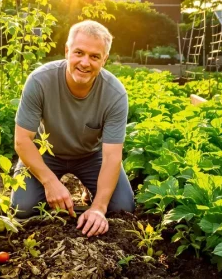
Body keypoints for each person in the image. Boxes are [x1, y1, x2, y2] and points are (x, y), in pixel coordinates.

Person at [10, 20, 135, 237]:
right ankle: (49, 183)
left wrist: (98, 208)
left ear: (104, 59)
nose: (85, 62)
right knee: (24, 207)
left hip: (90, 156)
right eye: (79, 52)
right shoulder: (40, 81)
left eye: (95, 56)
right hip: (45, 152)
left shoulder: (114, 95)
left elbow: (112, 156)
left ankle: (92, 193)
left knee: (122, 207)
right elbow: (22, 141)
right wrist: (50, 182)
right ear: (67, 51)